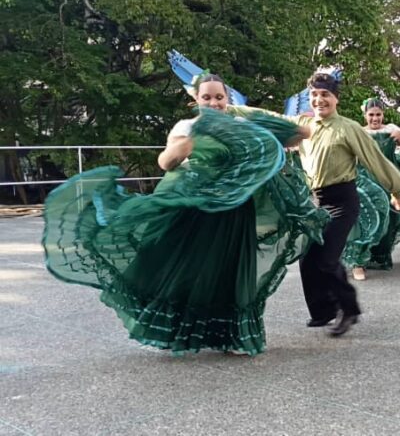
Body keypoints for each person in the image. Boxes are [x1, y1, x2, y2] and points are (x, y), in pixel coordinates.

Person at [42, 74, 329, 355]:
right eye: (207, 97)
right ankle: (176, 331)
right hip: (199, 209)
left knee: (231, 269)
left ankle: (232, 336)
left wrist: (252, 118)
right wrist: (191, 142)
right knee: (189, 269)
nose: (214, 102)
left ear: (228, 98)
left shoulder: (244, 124)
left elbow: (301, 133)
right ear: (195, 100)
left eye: (220, 97)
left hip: (236, 210)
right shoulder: (188, 126)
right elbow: (166, 162)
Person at [250, 74, 400, 336]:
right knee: (308, 257)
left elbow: (375, 159)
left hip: (342, 201)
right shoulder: (303, 124)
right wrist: (229, 110)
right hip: (315, 201)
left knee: (326, 259)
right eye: (314, 94)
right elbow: (270, 119)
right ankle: (323, 311)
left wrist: (399, 189)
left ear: (336, 98)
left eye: (325, 94)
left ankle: (349, 309)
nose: (319, 99)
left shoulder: (348, 128)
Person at [349, 98, 400, 281]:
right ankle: (358, 263)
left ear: (383, 114)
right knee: (365, 220)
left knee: (388, 222)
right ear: (365, 115)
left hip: (388, 181)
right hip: (365, 182)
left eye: (378, 114)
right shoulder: (359, 132)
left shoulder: (391, 130)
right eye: (371, 114)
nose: (375, 118)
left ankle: (378, 257)